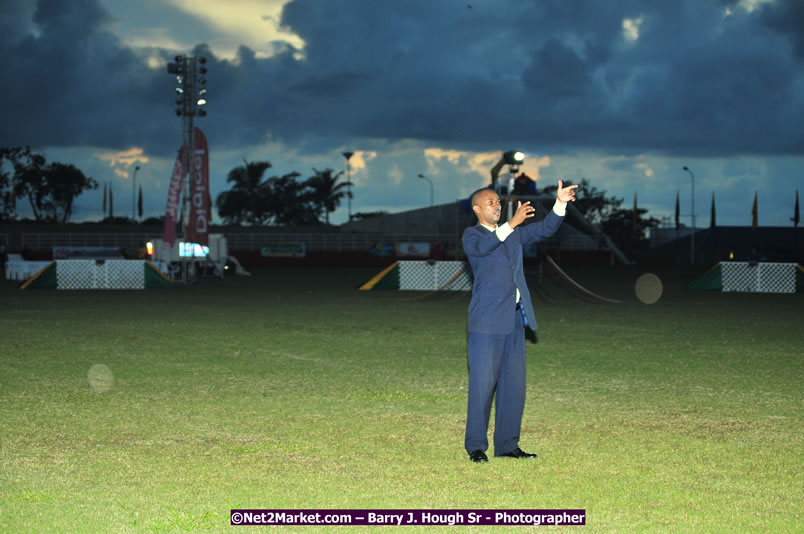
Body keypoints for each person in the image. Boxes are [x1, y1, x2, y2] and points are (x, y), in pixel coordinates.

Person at [462, 181, 577, 463]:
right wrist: (511, 223)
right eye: (491, 202)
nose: (497, 206)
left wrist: (559, 203)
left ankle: (507, 445)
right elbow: (487, 247)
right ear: (477, 208)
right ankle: (476, 447)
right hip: (486, 323)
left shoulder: (513, 235)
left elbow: (545, 229)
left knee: (513, 386)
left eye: (499, 202)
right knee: (482, 387)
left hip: (514, 319)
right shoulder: (472, 236)